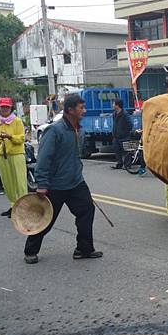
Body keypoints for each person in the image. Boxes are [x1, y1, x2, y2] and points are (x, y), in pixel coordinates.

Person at [24, 94, 102, 264]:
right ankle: (30, 251)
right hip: (55, 185)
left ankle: (83, 249)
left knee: (87, 210)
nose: (84, 111)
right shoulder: (54, 130)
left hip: (75, 182)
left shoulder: (79, 130)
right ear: (70, 110)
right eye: (81, 108)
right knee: (46, 219)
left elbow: (75, 156)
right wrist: (42, 183)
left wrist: (77, 172)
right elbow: (43, 159)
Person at [0, 98, 28, 217]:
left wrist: (10, 136)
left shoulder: (17, 121)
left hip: (16, 155)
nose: (5, 109)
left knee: (20, 183)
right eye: (2, 107)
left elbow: (22, 138)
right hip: (1, 156)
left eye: (7, 107)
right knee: (8, 183)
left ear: (11, 108)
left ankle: (24, 207)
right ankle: (13, 206)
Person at [111, 99, 133, 169]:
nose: (112, 105)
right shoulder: (114, 114)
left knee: (127, 151)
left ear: (117, 105)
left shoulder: (125, 114)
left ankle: (127, 165)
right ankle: (119, 163)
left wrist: (124, 132)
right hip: (116, 136)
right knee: (117, 151)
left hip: (124, 136)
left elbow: (130, 125)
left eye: (113, 104)